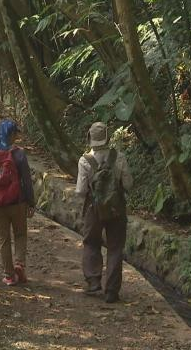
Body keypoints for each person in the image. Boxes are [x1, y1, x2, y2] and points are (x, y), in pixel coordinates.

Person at [75, 122, 133, 303]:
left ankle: (93, 281)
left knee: (91, 242)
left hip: (94, 208)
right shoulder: (119, 157)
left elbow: (80, 191)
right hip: (117, 208)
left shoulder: (85, 160)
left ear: (89, 138)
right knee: (115, 248)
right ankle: (112, 291)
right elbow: (129, 184)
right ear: (108, 137)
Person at [0, 119, 35, 286]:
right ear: (11, 135)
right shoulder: (19, 154)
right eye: (15, 133)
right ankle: (19, 263)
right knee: (20, 235)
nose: (16, 136)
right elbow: (27, 180)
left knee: (3, 239)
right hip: (17, 203)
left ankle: (9, 276)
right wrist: (31, 203)